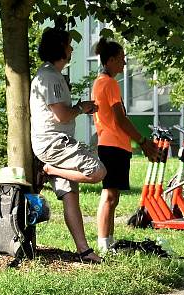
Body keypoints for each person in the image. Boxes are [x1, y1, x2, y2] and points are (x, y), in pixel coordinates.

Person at [30, 27, 106, 263]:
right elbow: (61, 115)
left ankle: (84, 251)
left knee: (71, 195)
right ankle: (49, 170)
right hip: (54, 144)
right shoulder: (49, 77)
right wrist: (81, 108)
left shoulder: (53, 74)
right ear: (60, 47)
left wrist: (81, 107)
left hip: (55, 142)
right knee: (97, 172)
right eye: (69, 44)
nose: (72, 49)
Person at [92, 38, 157, 253]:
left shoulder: (102, 82)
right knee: (109, 196)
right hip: (113, 145)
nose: (125, 64)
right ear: (110, 60)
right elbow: (120, 118)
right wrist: (143, 141)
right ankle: (103, 244)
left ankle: (108, 241)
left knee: (114, 196)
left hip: (114, 145)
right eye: (121, 59)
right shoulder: (108, 83)